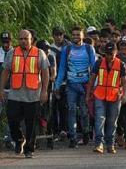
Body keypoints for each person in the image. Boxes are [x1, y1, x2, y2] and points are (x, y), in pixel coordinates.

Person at [0, 30, 49, 158]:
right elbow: (5, 72)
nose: (23, 41)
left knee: (31, 124)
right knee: (12, 120)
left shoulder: (40, 53)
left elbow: (45, 73)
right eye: (20, 38)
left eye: (25, 38)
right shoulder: (12, 53)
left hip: (33, 95)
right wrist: (0, 89)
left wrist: (44, 91)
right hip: (15, 94)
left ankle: (29, 150)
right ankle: (19, 139)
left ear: (31, 39)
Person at [54, 26, 96, 148]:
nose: (76, 37)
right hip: (71, 84)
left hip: (85, 85)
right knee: (71, 110)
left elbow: (94, 68)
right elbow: (62, 69)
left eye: (78, 35)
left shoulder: (89, 49)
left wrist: (94, 86)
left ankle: (85, 133)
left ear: (83, 36)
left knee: (84, 111)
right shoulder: (67, 50)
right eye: (74, 35)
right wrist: (57, 85)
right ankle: (72, 137)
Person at [87, 42, 126, 154]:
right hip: (100, 95)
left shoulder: (121, 64)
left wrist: (124, 95)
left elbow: (124, 81)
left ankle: (110, 144)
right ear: (105, 53)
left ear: (116, 52)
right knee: (99, 119)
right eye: (108, 54)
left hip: (115, 97)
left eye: (112, 53)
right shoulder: (99, 63)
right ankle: (99, 144)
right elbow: (92, 79)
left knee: (112, 121)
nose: (110, 56)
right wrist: (88, 94)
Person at [49, 27, 69, 139]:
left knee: (64, 107)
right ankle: (54, 130)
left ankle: (63, 129)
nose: (59, 37)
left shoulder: (68, 47)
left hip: (66, 81)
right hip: (53, 81)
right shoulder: (50, 48)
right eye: (56, 34)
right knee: (53, 108)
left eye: (61, 34)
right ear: (53, 35)